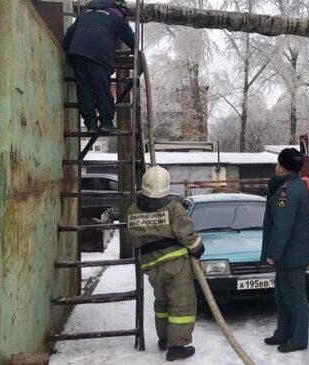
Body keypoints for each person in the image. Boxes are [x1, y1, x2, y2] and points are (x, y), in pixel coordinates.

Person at [127, 166, 205, 361]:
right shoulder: (173, 208)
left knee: (162, 302)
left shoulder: (133, 209)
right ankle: (177, 346)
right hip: (174, 263)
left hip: (151, 265)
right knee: (182, 303)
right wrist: (198, 248)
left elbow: (136, 237)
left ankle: (164, 339)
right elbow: (185, 232)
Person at [261, 148, 309, 353]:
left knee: (295, 299)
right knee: (282, 297)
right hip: (290, 255)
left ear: (282, 168)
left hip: (291, 256)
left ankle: (299, 340)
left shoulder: (288, 191)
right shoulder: (293, 186)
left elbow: (282, 226)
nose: (276, 166)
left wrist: (273, 254)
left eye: (278, 163)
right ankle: (283, 333)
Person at [62, 0, 135, 133]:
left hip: (78, 53)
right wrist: (136, 50)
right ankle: (106, 123)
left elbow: (70, 32)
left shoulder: (85, 12)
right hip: (99, 54)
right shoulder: (117, 14)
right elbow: (128, 36)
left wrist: (67, 51)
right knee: (101, 87)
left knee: (83, 89)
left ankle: (91, 124)